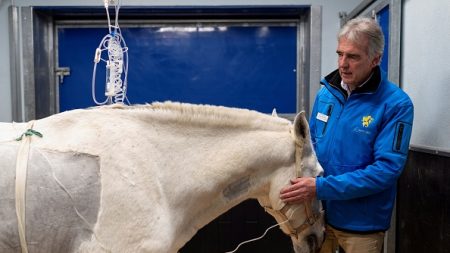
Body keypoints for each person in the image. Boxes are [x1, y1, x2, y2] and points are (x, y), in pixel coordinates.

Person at [280, 17, 414, 253]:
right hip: (317, 217)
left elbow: (385, 171)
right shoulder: (326, 94)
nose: (343, 64)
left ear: (376, 59)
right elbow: (310, 149)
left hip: (361, 224)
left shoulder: (395, 104)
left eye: (353, 57)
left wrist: (321, 188)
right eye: (340, 54)